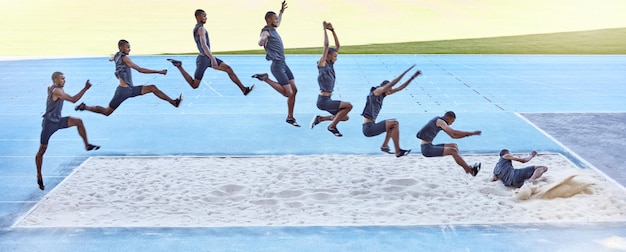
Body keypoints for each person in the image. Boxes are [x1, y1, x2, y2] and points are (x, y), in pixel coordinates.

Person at [75, 39, 182, 116]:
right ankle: (85, 107)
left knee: (152, 88)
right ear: (121, 48)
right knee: (107, 112)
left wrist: (112, 59)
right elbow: (140, 70)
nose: (130, 49)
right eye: (128, 47)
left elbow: (112, 58)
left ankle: (174, 102)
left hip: (129, 89)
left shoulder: (117, 55)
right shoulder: (125, 58)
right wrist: (159, 71)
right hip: (123, 91)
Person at [166, 9, 254, 95]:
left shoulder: (198, 28)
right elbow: (204, 45)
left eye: (206, 16)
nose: (206, 18)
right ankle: (179, 66)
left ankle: (244, 89)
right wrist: (212, 58)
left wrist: (211, 57)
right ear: (198, 16)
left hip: (205, 57)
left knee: (228, 69)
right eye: (204, 16)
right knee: (194, 85)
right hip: (203, 60)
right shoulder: (200, 29)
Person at [36, 72, 100, 190]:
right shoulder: (57, 91)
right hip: (49, 124)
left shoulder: (52, 88)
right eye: (62, 79)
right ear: (56, 80)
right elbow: (73, 99)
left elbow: (49, 89)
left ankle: (87, 145)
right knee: (42, 150)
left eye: (65, 79)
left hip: (58, 120)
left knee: (78, 122)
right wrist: (85, 88)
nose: (64, 81)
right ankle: (39, 174)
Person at [252, 1, 300, 127]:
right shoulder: (266, 31)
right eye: (275, 19)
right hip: (277, 66)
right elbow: (261, 40)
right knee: (287, 93)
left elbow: (279, 21)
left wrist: (281, 12)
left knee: (294, 90)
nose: (277, 21)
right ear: (269, 20)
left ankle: (290, 117)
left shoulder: (273, 28)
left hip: (284, 64)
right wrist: (262, 41)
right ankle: (265, 78)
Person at [362, 65, 421, 157]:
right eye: (389, 89)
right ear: (384, 87)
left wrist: (412, 77)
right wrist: (406, 71)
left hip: (371, 126)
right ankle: (398, 151)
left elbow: (400, 88)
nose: (390, 92)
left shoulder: (383, 94)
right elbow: (393, 83)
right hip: (368, 128)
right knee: (395, 123)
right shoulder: (376, 92)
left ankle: (385, 146)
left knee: (393, 124)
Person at [310, 21, 352, 137]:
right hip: (323, 100)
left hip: (327, 99)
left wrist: (332, 30)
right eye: (334, 56)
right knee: (348, 106)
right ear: (327, 56)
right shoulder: (322, 64)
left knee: (344, 117)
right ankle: (331, 126)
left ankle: (321, 119)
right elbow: (326, 46)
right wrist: (324, 30)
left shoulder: (330, 64)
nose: (336, 58)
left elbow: (337, 47)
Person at [416, 111, 482, 176]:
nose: (451, 124)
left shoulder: (441, 122)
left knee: (454, 146)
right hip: (427, 149)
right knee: (453, 151)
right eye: (452, 121)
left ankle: (466, 167)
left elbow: (453, 136)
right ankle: (471, 171)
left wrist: (468, 135)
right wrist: (471, 133)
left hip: (429, 146)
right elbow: (453, 132)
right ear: (448, 118)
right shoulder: (440, 121)